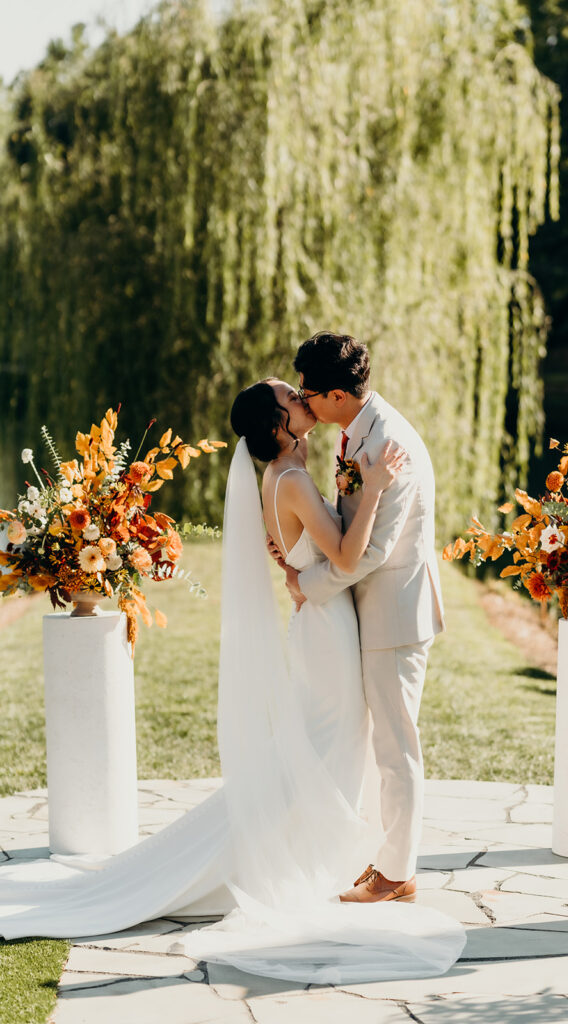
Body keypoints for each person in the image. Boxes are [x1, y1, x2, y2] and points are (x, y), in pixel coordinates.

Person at [0, 373, 465, 983]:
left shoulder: (283, 474)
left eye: (301, 393)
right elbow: (349, 559)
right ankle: (286, 859)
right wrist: (373, 487)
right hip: (327, 630)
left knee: (320, 748)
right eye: (290, 399)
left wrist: (318, 546)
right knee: (325, 746)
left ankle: (324, 856)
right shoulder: (291, 480)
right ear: (277, 425)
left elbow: (315, 551)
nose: (301, 400)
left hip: (324, 622)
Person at [284, 331, 445, 904]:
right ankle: (384, 857)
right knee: (382, 744)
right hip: (373, 609)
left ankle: (398, 873)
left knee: (397, 748)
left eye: (307, 391)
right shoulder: (359, 429)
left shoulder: (387, 442)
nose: (302, 400)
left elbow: (372, 550)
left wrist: (310, 585)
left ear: (333, 395)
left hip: (395, 613)